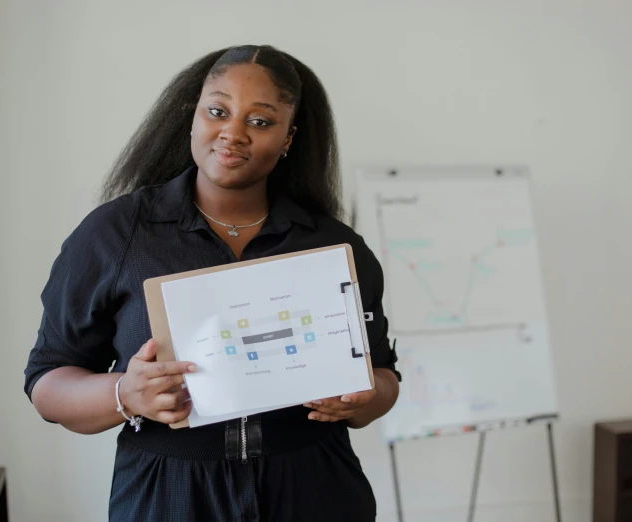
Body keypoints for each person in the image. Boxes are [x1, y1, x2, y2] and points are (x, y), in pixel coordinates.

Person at [24, 44, 400, 522]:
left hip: (315, 489)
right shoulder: (117, 235)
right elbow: (47, 382)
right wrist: (125, 394)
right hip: (170, 495)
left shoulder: (332, 247)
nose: (233, 133)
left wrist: (363, 397)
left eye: (260, 122)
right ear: (193, 117)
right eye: (218, 111)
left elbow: (383, 377)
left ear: (289, 138)